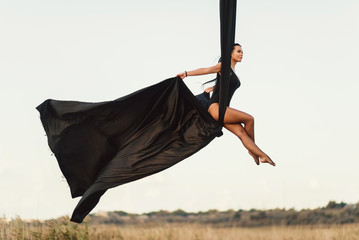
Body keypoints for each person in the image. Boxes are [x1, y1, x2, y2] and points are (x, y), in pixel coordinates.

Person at [177, 43, 275, 166]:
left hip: (223, 110)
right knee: (249, 119)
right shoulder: (224, 67)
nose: (241, 54)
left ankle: (255, 152)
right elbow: (206, 70)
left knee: (241, 133)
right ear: (230, 53)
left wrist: (214, 87)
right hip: (216, 108)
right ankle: (257, 152)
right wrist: (186, 73)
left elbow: (225, 85)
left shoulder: (232, 72)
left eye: (242, 52)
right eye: (238, 51)